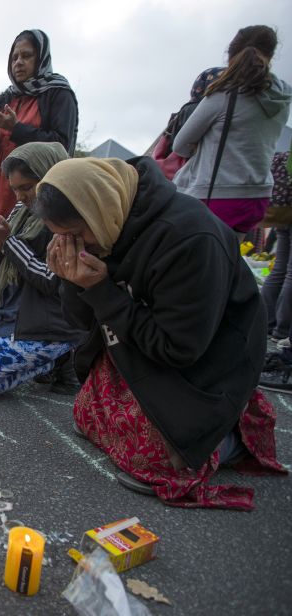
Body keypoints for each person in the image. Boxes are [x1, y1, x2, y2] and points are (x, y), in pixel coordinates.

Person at [33, 156, 286, 509]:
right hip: (137, 347)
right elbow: (79, 321)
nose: (73, 246)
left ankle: (230, 437)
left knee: (150, 459)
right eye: (61, 236)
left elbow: (178, 348)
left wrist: (102, 289)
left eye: (76, 235)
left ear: (101, 209)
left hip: (204, 368)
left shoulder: (190, 237)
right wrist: (74, 282)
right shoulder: (107, 229)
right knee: (86, 418)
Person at [0, 142, 83, 398]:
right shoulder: (22, 211)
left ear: (50, 178)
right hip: (10, 311)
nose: (19, 196)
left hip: (46, 319)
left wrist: (9, 242)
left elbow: (52, 282)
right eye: (15, 189)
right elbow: (3, 276)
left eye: (27, 187)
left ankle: (62, 356)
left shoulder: (70, 219)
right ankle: (36, 359)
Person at [173, 25, 291, 236]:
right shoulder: (282, 98)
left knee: (197, 264)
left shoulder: (224, 94)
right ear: (271, 55)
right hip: (257, 197)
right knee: (226, 260)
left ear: (231, 54)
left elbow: (180, 145)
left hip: (216, 196)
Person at [0, 29, 78, 219]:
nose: (18, 62)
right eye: (14, 58)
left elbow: (61, 147)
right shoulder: (2, 99)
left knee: (24, 247)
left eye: (27, 55)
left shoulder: (58, 94)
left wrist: (15, 129)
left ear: (41, 58)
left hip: (35, 208)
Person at [259, 149, 292, 348]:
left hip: (283, 209)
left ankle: (264, 322)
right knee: (289, 272)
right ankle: (282, 330)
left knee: (280, 268)